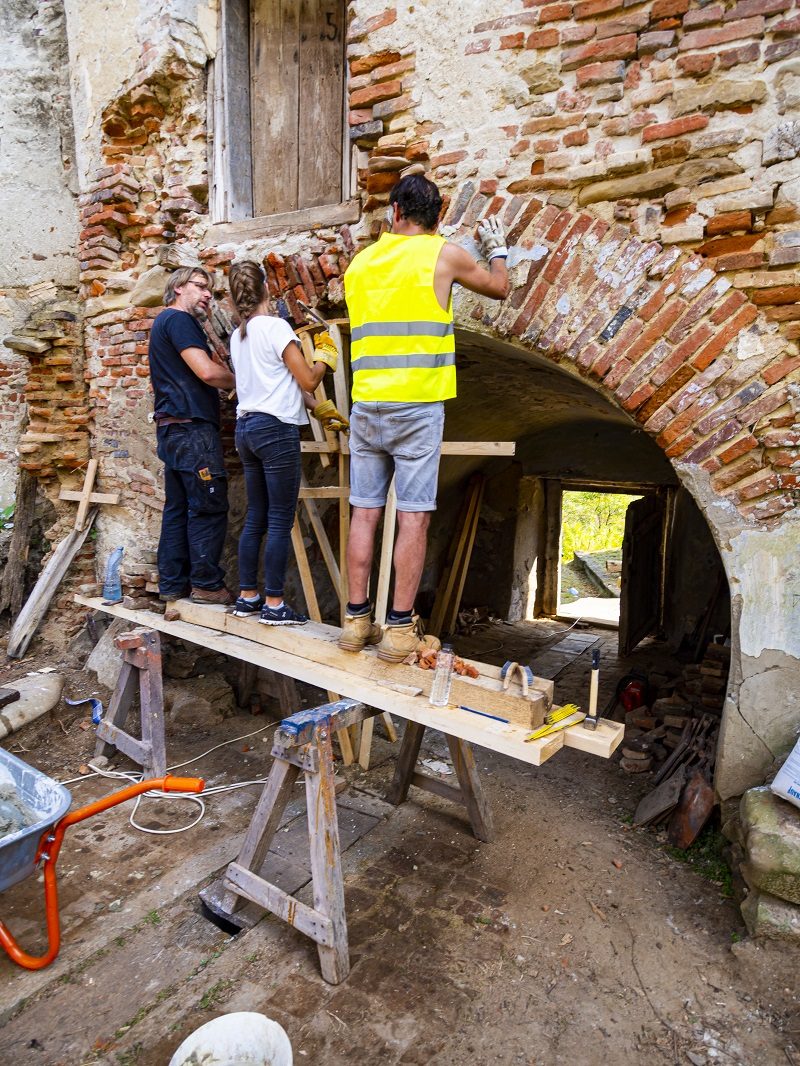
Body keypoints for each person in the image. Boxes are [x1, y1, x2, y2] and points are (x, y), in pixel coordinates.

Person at [339, 173, 510, 662]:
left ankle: (355, 622)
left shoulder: (360, 264)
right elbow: (498, 288)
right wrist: (497, 250)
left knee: (364, 512)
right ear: (439, 214)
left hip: (366, 404)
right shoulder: (444, 255)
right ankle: (398, 630)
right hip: (416, 406)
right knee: (413, 518)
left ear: (394, 211)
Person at [227, 260, 346, 625]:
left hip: (247, 429)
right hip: (275, 431)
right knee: (280, 519)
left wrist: (319, 409)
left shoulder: (238, 336)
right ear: (267, 290)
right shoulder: (277, 327)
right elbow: (308, 379)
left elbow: (281, 384)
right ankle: (275, 605)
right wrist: (324, 356)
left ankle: (248, 597)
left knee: (257, 517)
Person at [149, 266, 235, 604]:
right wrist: (247, 380)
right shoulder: (179, 320)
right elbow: (207, 372)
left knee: (178, 507)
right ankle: (206, 585)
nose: (207, 294)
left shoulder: (163, 322)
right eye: (200, 286)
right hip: (192, 431)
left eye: (209, 289)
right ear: (178, 288)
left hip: (173, 429)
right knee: (208, 504)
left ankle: (173, 584)